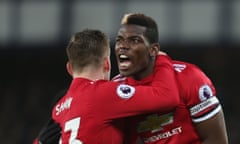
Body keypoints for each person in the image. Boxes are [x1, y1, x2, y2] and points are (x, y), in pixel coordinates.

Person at [38, 29, 179, 144]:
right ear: (107, 64)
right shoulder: (104, 93)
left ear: (69, 68)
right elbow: (167, 97)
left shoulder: (58, 109)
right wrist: (161, 59)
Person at [113, 13, 228, 144]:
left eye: (134, 40)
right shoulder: (116, 88)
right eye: (119, 40)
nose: (123, 46)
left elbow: (216, 140)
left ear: (153, 50)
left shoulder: (189, 77)